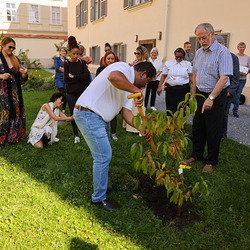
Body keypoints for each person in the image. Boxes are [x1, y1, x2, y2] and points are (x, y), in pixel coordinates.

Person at [74, 61, 156, 211]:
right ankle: (98, 199)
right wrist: (136, 90)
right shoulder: (123, 68)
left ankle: (102, 183)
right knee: (103, 156)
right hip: (89, 114)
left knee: (103, 155)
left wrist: (140, 128)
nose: (144, 87)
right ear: (143, 74)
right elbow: (113, 77)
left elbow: (126, 114)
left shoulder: (128, 87)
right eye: (146, 82)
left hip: (99, 117)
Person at [185, 23, 233, 173]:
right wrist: (193, 95)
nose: (202, 41)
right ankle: (196, 155)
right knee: (197, 127)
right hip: (199, 94)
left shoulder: (223, 52)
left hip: (216, 96)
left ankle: (211, 160)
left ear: (212, 34)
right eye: (199, 39)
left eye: (204, 38)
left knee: (213, 129)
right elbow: (195, 75)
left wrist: (211, 98)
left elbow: (224, 78)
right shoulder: (198, 53)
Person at [0, 37, 28, 148]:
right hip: (2, 92)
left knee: (16, 111)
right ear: (2, 45)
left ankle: (13, 136)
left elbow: (20, 78)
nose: (12, 49)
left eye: (13, 48)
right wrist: (1, 76)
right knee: (4, 113)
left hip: (15, 91)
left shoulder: (15, 59)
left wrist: (25, 74)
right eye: (9, 47)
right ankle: (1, 138)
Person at [64, 36, 90, 143]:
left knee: (84, 113)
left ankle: (84, 132)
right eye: (73, 53)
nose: (76, 56)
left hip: (82, 93)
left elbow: (87, 77)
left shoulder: (82, 63)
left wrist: (74, 77)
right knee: (74, 114)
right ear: (69, 52)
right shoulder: (66, 64)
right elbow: (66, 78)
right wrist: (80, 78)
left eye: (78, 54)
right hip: (71, 93)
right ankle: (76, 135)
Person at [214, 35, 240, 141]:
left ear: (223, 44)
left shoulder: (232, 57)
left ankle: (222, 134)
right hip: (214, 89)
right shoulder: (213, 55)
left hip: (226, 90)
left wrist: (230, 91)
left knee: (223, 113)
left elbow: (235, 76)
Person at [157, 48, 192, 114]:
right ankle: (171, 123)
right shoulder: (169, 63)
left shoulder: (187, 64)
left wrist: (195, 87)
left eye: (181, 57)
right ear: (174, 56)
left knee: (182, 109)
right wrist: (159, 87)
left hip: (183, 90)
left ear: (183, 56)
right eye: (177, 57)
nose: (178, 58)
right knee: (171, 108)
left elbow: (191, 76)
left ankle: (181, 123)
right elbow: (163, 76)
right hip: (171, 90)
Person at [124, 46, 149, 134]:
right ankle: (130, 125)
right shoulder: (135, 62)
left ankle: (140, 127)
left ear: (143, 54)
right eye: (135, 53)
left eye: (138, 53)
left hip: (140, 86)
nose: (136, 55)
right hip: (132, 84)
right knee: (130, 104)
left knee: (139, 105)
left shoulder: (146, 64)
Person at [96, 51, 119, 141]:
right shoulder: (100, 69)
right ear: (105, 59)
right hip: (103, 93)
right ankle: (104, 132)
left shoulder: (117, 68)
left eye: (112, 59)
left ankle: (113, 133)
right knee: (103, 114)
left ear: (115, 59)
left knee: (113, 114)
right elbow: (97, 82)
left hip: (114, 93)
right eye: (108, 59)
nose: (110, 60)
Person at [227, 42, 250, 118]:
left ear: (245, 48)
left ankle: (235, 111)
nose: (242, 49)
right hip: (233, 79)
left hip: (242, 79)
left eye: (243, 47)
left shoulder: (247, 58)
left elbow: (249, 68)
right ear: (238, 48)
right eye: (240, 47)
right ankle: (226, 110)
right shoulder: (234, 56)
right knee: (230, 93)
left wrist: (246, 71)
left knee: (237, 95)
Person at [54, 46, 68, 112]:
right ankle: (56, 105)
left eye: (65, 51)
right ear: (59, 52)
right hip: (59, 78)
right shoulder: (56, 59)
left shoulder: (67, 60)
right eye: (62, 51)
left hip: (66, 79)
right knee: (62, 92)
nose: (63, 52)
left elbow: (68, 69)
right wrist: (65, 70)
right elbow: (57, 67)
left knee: (65, 94)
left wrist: (61, 69)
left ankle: (63, 108)